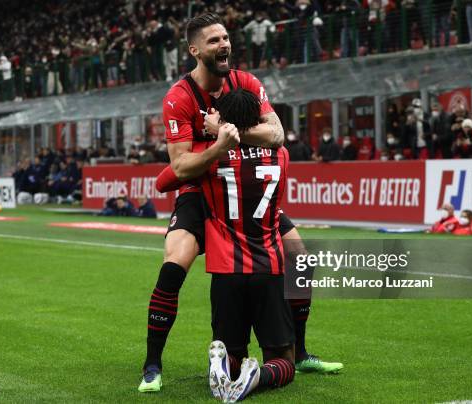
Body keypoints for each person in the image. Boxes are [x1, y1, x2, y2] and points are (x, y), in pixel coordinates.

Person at [139, 12, 341, 394]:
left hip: (239, 188)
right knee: (173, 265)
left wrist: (227, 134)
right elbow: (180, 167)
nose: (224, 45)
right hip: (199, 192)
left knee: (301, 258)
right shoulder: (178, 97)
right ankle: (152, 364)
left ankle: (298, 352)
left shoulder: (245, 81)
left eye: (226, 37)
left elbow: (277, 132)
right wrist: (220, 145)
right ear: (194, 50)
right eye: (214, 40)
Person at [202, 89, 295, 402]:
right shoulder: (281, 155)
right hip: (269, 265)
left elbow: (166, 180)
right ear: (258, 118)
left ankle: (226, 367)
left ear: (224, 119)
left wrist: (216, 132)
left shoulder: (212, 157)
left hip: (226, 268)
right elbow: (273, 134)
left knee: (233, 349)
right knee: (283, 358)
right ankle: (260, 375)